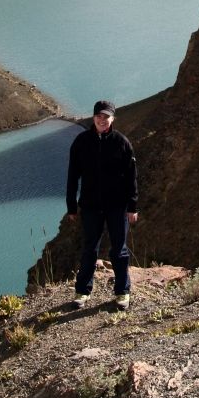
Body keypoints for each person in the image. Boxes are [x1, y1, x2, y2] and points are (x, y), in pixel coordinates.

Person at [67, 99, 138, 310]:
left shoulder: (121, 142)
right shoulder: (81, 142)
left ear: (112, 118)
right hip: (90, 206)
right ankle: (82, 291)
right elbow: (73, 176)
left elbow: (131, 177)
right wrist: (71, 206)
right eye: (99, 116)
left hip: (117, 206)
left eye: (106, 116)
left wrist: (132, 206)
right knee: (90, 249)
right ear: (93, 117)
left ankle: (122, 292)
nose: (102, 120)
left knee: (119, 250)